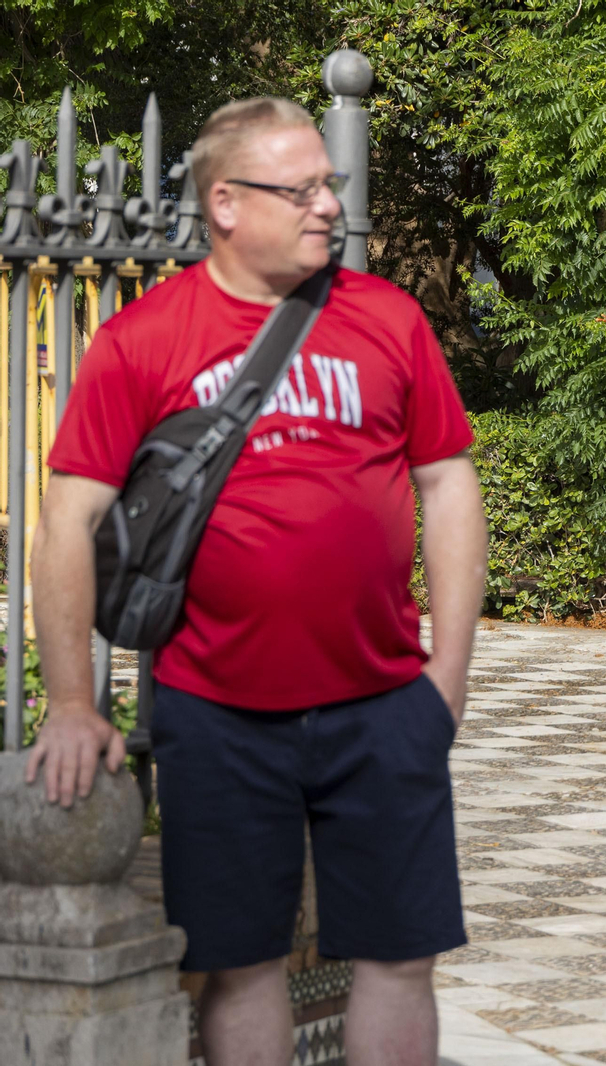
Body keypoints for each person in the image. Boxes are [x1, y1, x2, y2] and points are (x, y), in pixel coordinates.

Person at [25, 97, 488, 1066]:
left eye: (331, 183)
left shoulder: (386, 318)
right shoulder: (146, 337)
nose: (329, 204)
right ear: (228, 203)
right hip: (215, 707)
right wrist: (73, 699)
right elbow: (68, 517)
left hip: (383, 700)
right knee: (241, 964)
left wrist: (446, 674)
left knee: (401, 957)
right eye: (305, 188)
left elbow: (447, 482)